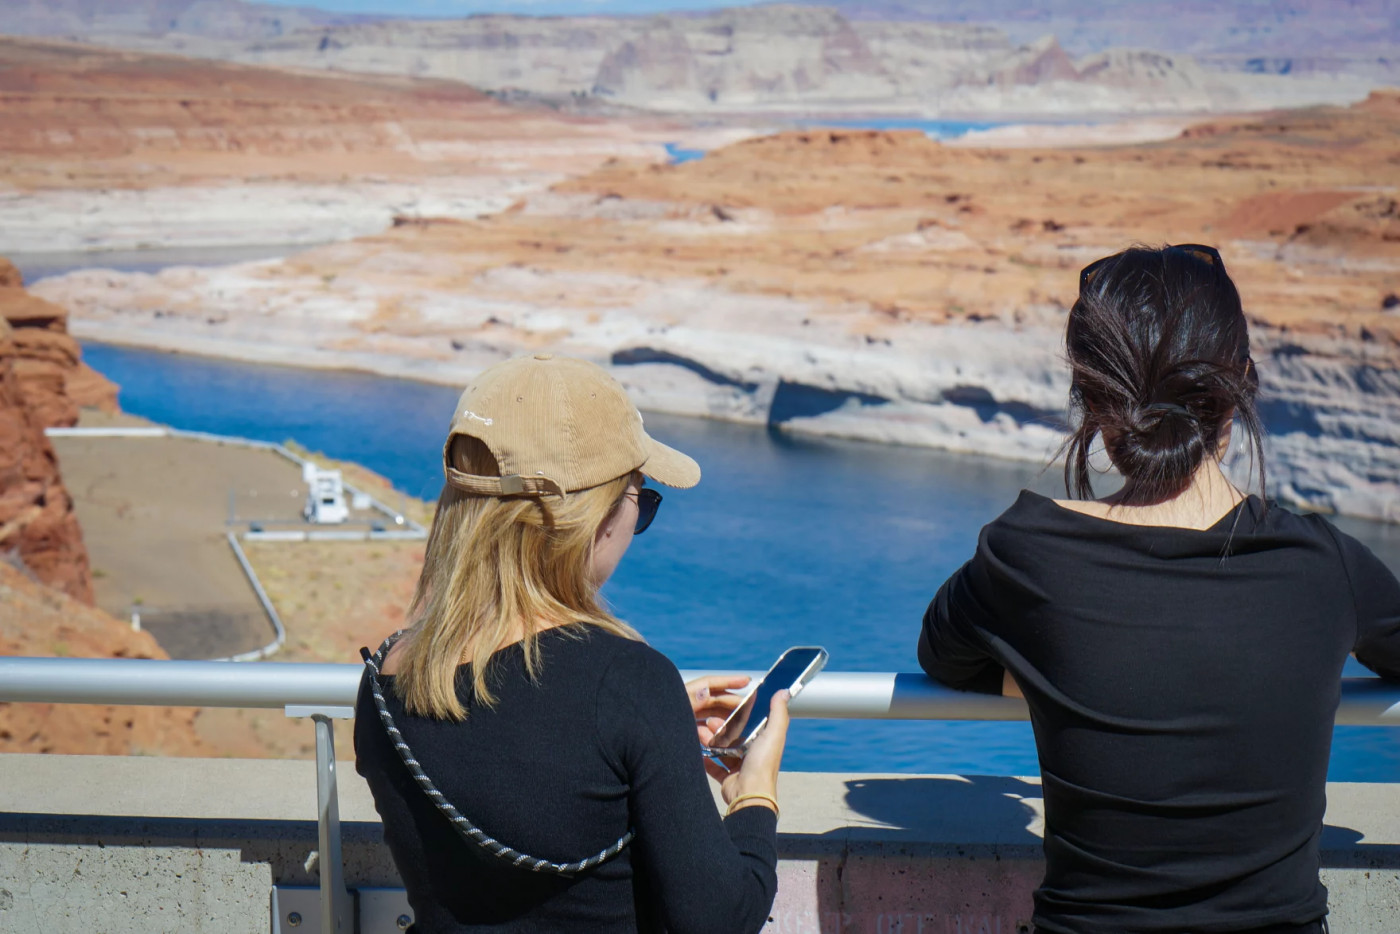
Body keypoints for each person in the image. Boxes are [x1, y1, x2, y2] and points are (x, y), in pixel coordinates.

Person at [917, 244, 1400, 934]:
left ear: (1089, 398)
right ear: (1242, 384)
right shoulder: (1323, 564)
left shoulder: (1027, 553)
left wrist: (1062, 675)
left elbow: (945, 657)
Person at [355, 352, 790, 933]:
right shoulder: (628, 683)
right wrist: (755, 795)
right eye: (640, 497)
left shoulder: (385, 677)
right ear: (591, 516)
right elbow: (718, 920)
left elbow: (518, 745)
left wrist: (653, 736)